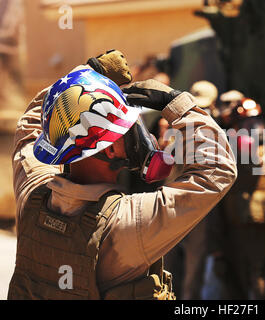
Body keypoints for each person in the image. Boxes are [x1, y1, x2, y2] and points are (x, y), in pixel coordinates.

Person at [8, 50, 237, 300]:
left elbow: (30, 125)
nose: (136, 135)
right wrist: (176, 103)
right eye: (127, 129)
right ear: (111, 147)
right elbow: (218, 170)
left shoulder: (30, 193)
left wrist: (85, 80)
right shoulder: (129, 222)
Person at [202, 89, 265, 300]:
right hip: (234, 242)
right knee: (233, 291)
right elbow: (213, 211)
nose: (255, 130)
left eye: (257, 123)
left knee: (264, 287)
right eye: (249, 125)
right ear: (236, 128)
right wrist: (217, 250)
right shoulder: (224, 162)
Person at [164, 80, 220, 300]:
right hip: (195, 202)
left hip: (173, 200)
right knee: (193, 262)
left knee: (172, 259)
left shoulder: (177, 124)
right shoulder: (211, 128)